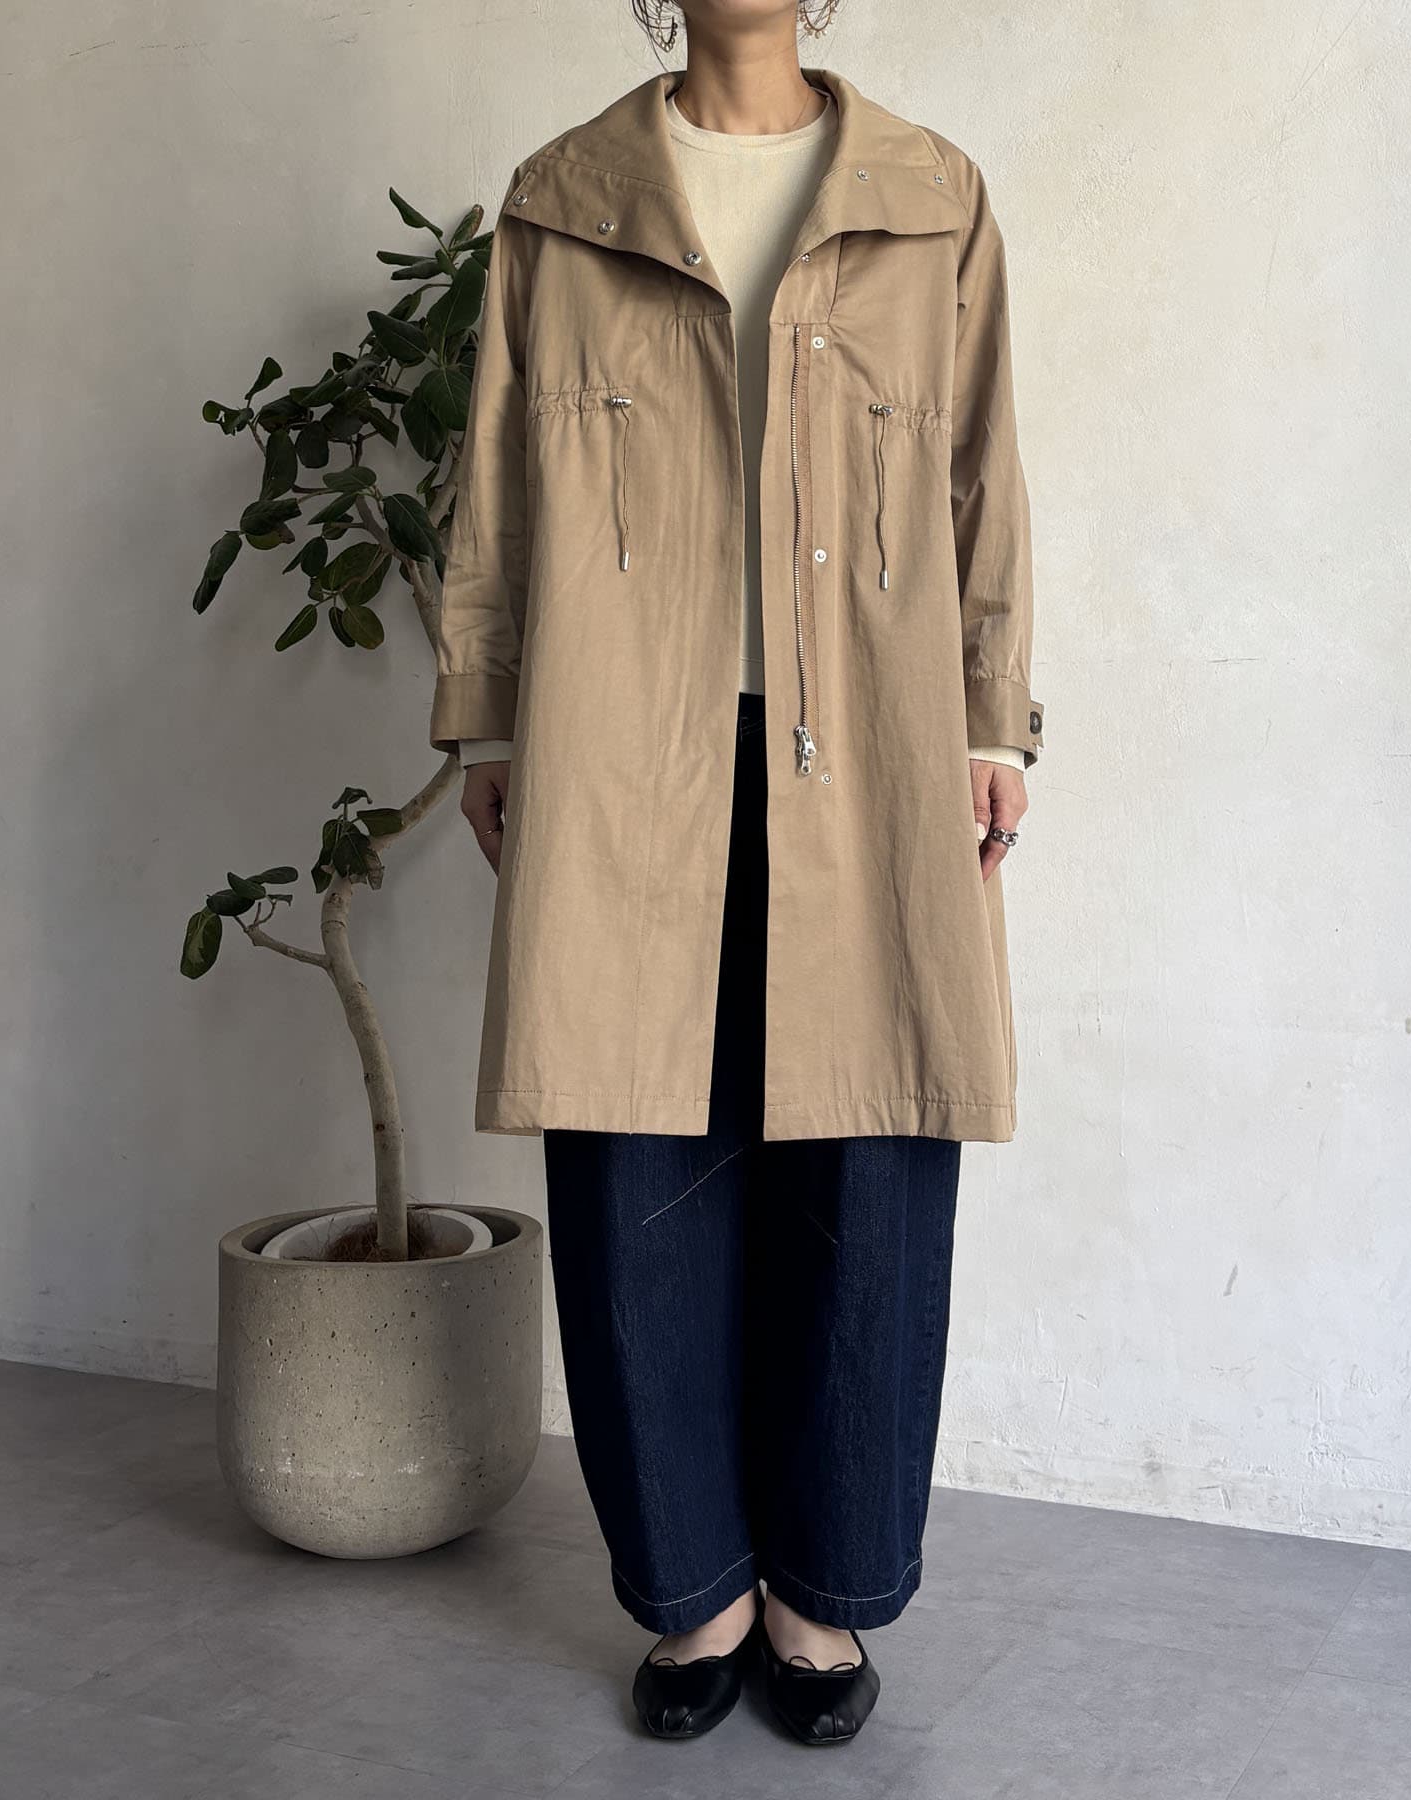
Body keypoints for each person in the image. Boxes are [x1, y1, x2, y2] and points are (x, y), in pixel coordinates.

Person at [429, 0, 1043, 1748]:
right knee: (631, 1145)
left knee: (870, 1145)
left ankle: (822, 1591)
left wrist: (996, 719)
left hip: (875, 743)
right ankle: (692, 1583)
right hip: (630, 741)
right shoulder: (565, 197)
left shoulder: (932, 194)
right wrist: (485, 716)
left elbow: (984, 470)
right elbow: (502, 477)